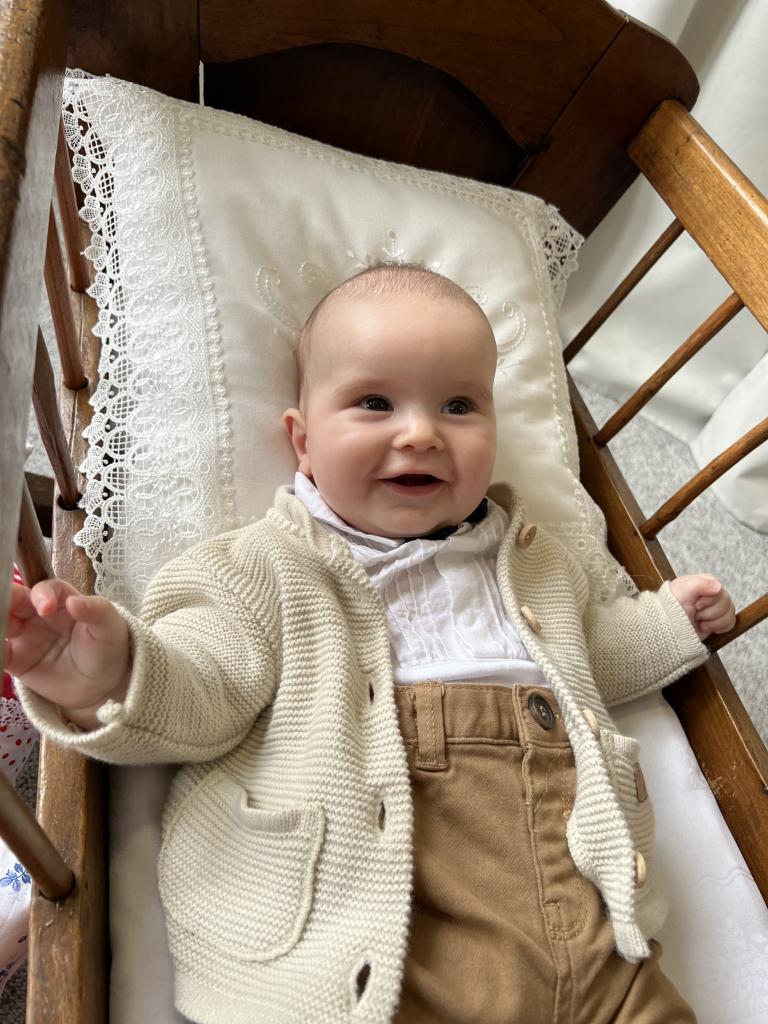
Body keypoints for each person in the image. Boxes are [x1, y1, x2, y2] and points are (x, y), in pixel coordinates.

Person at [5, 264, 735, 1024]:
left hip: (590, 936)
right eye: (375, 403)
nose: (420, 433)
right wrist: (112, 673)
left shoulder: (534, 558)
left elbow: (587, 659)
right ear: (303, 441)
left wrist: (666, 624)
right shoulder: (260, 567)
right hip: (378, 937)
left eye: (459, 406)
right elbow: (203, 687)